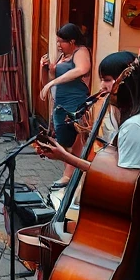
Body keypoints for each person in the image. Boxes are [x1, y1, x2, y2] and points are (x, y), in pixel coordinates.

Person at [37, 51, 140, 280]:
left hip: (138, 226)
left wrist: (66, 157)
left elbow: (120, 183)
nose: (104, 88)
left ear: (125, 82)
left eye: (107, 80)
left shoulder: (135, 128)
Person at [40, 23, 92, 189]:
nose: (58, 45)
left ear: (72, 41)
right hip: (60, 105)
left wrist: (53, 81)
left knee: (76, 141)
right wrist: (46, 71)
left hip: (76, 105)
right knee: (63, 142)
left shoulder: (81, 52)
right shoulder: (61, 58)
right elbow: (48, 83)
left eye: (61, 41)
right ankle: (71, 175)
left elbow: (82, 69)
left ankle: (70, 176)